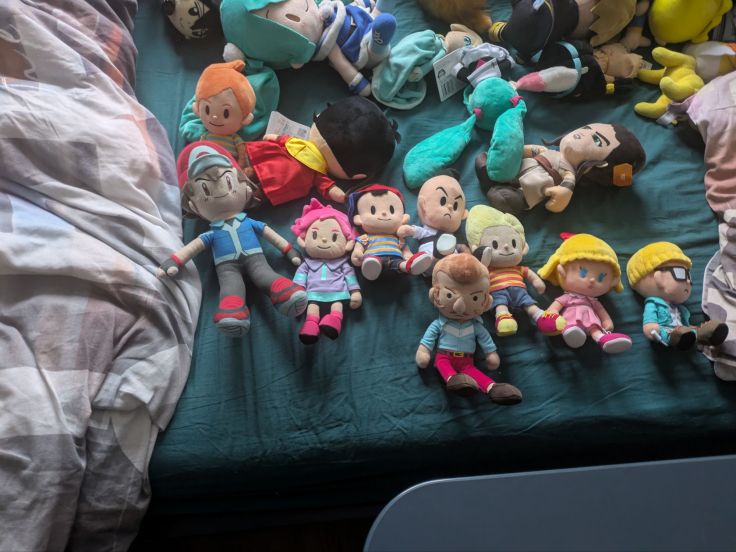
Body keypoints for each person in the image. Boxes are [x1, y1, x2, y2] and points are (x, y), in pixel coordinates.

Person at [158, 142, 307, 337]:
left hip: (255, 258)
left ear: (245, 187)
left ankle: (283, 293)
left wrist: (289, 249)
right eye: (205, 187)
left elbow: (269, 233)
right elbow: (193, 247)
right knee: (230, 287)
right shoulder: (210, 234)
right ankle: (233, 312)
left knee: (265, 274)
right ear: (193, 206)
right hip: (226, 267)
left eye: (228, 181)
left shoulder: (250, 223)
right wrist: (175, 261)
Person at [416, 253, 523, 404]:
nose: (459, 307)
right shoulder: (439, 324)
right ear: (436, 294)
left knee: (474, 373)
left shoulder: (476, 326)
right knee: (443, 365)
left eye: (475, 298)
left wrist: (491, 353)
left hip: (467, 361)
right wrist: (423, 352)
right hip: (444, 357)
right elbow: (428, 339)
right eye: (449, 295)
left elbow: (486, 341)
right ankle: (453, 379)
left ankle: (492, 388)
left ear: (486, 301)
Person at [538, 233, 633, 353]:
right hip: (571, 319)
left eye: (601, 278)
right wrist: (553, 315)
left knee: (595, 329)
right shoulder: (568, 297)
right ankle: (572, 334)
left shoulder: (593, 301)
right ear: (562, 271)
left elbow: (601, 311)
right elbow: (554, 308)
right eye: (583, 273)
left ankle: (603, 339)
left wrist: (606, 321)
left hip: (591, 319)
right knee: (571, 326)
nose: (592, 280)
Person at [627, 241, 728, 349]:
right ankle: (681, 338)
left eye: (688, 275)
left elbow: (684, 323)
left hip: (684, 329)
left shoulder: (680, 308)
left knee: (689, 331)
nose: (688, 281)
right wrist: (651, 328)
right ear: (658, 277)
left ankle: (707, 334)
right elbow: (650, 321)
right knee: (680, 334)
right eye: (680, 273)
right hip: (666, 332)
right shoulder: (653, 303)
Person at [192, 60, 256, 167]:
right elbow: (198, 151)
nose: (214, 117)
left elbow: (242, 155)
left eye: (226, 113)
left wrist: (240, 167)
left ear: (245, 119)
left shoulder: (234, 138)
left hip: (229, 168)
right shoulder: (205, 136)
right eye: (207, 110)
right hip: (208, 166)